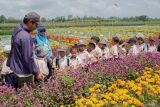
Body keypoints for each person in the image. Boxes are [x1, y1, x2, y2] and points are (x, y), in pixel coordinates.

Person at [7, 12, 44, 88]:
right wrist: (36, 73)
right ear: (30, 22)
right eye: (36, 25)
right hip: (24, 72)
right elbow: (28, 58)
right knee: (27, 96)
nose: (36, 27)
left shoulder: (18, 30)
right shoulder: (25, 36)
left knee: (20, 94)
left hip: (18, 70)